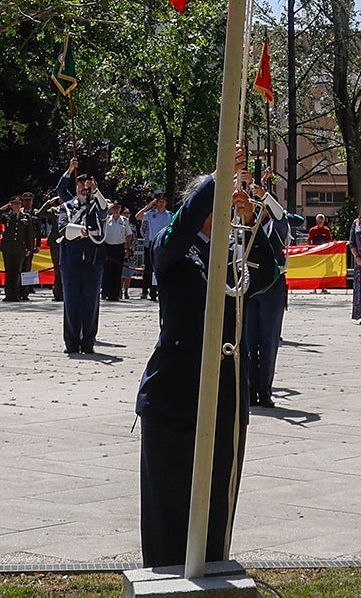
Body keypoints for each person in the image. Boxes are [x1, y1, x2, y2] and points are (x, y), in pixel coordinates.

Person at [135, 173, 255, 566]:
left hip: (224, 395)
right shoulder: (171, 245)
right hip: (173, 397)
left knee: (216, 509)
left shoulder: (230, 255)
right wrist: (220, 174)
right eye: (215, 201)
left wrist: (251, 220)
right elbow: (181, 228)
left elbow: (268, 275)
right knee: (167, 514)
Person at [239, 176, 290, 410]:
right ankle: (250, 391)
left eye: (261, 206)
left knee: (268, 342)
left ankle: (265, 392)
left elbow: (280, 214)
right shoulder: (246, 226)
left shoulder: (278, 226)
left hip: (273, 286)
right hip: (250, 286)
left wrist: (265, 195)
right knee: (248, 342)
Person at [49, 157, 110, 355]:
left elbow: (103, 210)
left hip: (92, 261)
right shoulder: (68, 206)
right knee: (72, 302)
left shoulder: (97, 205)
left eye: (88, 187)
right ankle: (71, 342)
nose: (85, 189)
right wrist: (69, 169)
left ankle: (88, 342)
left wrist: (96, 190)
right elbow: (63, 229)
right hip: (71, 262)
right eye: (82, 186)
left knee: (91, 303)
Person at [140, 193, 172, 301]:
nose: (161, 203)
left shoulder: (170, 215)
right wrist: (149, 205)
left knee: (161, 267)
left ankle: (159, 290)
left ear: (166, 203)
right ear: (156, 203)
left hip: (163, 243)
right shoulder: (151, 214)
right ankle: (149, 291)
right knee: (149, 268)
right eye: (159, 201)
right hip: (152, 243)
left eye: (163, 201)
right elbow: (138, 216)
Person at [103, 202, 133, 301]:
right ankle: (106, 293)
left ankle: (116, 294)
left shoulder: (125, 221)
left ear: (120, 209)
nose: (115, 209)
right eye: (114, 208)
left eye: (117, 208)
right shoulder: (106, 220)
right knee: (107, 271)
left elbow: (128, 235)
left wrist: (127, 248)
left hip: (119, 248)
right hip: (108, 247)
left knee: (117, 272)